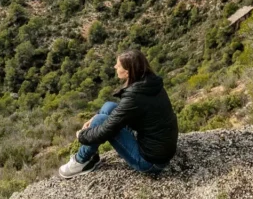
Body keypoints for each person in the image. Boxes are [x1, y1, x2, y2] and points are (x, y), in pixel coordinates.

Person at [58, 50, 178, 178]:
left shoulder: (135, 97)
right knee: (108, 106)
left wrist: (82, 136)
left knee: (100, 121)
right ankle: (91, 154)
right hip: (160, 148)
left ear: (128, 71)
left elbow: (106, 129)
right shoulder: (150, 83)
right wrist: (94, 117)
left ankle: (80, 161)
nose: (115, 67)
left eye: (118, 65)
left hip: (150, 162)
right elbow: (120, 113)